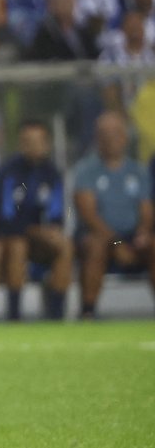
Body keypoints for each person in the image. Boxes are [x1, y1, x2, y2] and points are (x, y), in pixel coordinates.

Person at [0, 120, 72, 320]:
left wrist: (52, 229)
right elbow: (1, 217)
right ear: (20, 144)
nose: (32, 146)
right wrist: (31, 230)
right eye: (27, 141)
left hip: (41, 239)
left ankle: (57, 313)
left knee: (65, 245)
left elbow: (57, 213)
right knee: (18, 246)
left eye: (37, 141)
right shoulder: (7, 172)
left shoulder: (52, 173)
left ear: (46, 144)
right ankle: (14, 314)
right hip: (11, 238)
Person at [72, 112, 155, 318]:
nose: (111, 139)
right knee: (95, 245)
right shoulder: (86, 170)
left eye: (116, 133)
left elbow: (146, 210)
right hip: (102, 237)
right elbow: (88, 215)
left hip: (132, 237)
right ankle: (88, 311)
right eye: (105, 134)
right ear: (97, 138)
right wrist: (117, 243)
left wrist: (143, 233)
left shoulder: (138, 171)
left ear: (125, 137)